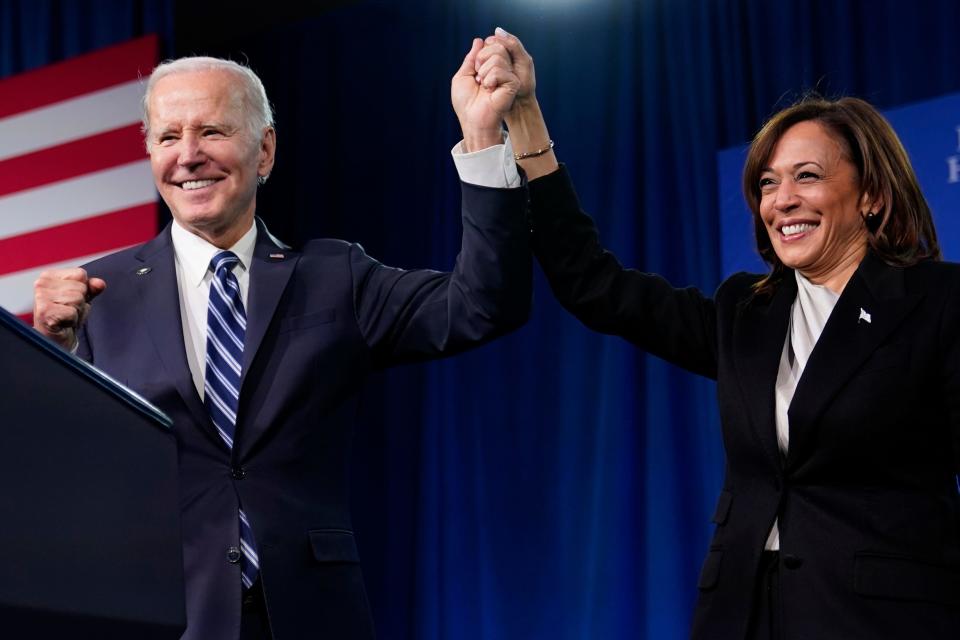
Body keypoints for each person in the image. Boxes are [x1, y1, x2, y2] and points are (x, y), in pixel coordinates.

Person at [32, 39, 531, 640]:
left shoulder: (334, 276)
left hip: (313, 616)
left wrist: (481, 138)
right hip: (164, 617)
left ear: (264, 149)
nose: (188, 155)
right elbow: (57, 476)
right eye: (167, 138)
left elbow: (482, 306)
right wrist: (52, 354)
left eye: (212, 131)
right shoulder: (98, 295)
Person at [475, 30, 960, 640]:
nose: (782, 200)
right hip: (740, 616)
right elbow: (592, 284)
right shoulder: (744, 312)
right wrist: (525, 122)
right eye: (766, 183)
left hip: (878, 619)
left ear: (871, 195)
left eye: (805, 176)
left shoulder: (938, 302)